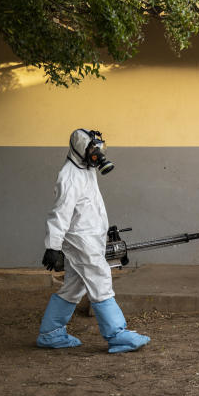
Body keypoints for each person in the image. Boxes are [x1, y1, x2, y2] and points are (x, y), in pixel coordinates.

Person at [36, 129, 150, 353]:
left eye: (99, 149)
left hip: (89, 236)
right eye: (92, 150)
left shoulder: (87, 169)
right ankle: (117, 334)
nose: (97, 155)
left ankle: (50, 333)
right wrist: (53, 246)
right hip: (79, 239)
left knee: (74, 286)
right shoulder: (69, 176)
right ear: (80, 150)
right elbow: (60, 213)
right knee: (100, 277)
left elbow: (90, 208)